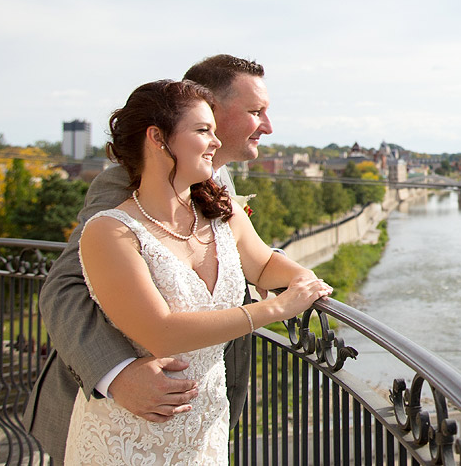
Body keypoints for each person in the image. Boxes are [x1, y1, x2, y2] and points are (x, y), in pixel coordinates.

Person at [60, 79, 331, 464]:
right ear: (157, 138)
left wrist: (300, 275)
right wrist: (276, 309)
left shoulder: (221, 211)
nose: (216, 142)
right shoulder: (111, 230)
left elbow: (264, 263)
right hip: (130, 435)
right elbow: (162, 332)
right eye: (203, 130)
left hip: (205, 427)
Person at [25, 55, 278, 463]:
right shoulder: (125, 185)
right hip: (125, 414)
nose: (267, 126)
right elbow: (65, 287)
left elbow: (230, 252)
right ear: (208, 108)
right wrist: (117, 374)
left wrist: (278, 267)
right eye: (255, 112)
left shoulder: (215, 182)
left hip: (197, 416)